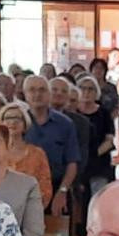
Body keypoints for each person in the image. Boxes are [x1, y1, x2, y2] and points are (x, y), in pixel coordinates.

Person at [21, 75, 82, 220]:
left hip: (57, 188)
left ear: (49, 94)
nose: (37, 94)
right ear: (25, 94)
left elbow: (72, 162)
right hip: (23, 190)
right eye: (32, 90)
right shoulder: (17, 122)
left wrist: (62, 191)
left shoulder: (65, 124)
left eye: (42, 90)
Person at [0, 104, 54, 203]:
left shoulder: (38, 154)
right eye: (8, 118)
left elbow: (45, 189)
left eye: (17, 118)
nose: (12, 121)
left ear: (25, 124)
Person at [76, 77, 117, 198]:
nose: (86, 92)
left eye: (90, 89)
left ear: (97, 92)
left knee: (98, 198)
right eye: (82, 88)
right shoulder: (73, 112)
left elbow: (109, 140)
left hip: (99, 161)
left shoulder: (104, 113)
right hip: (77, 162)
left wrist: (92, 155)